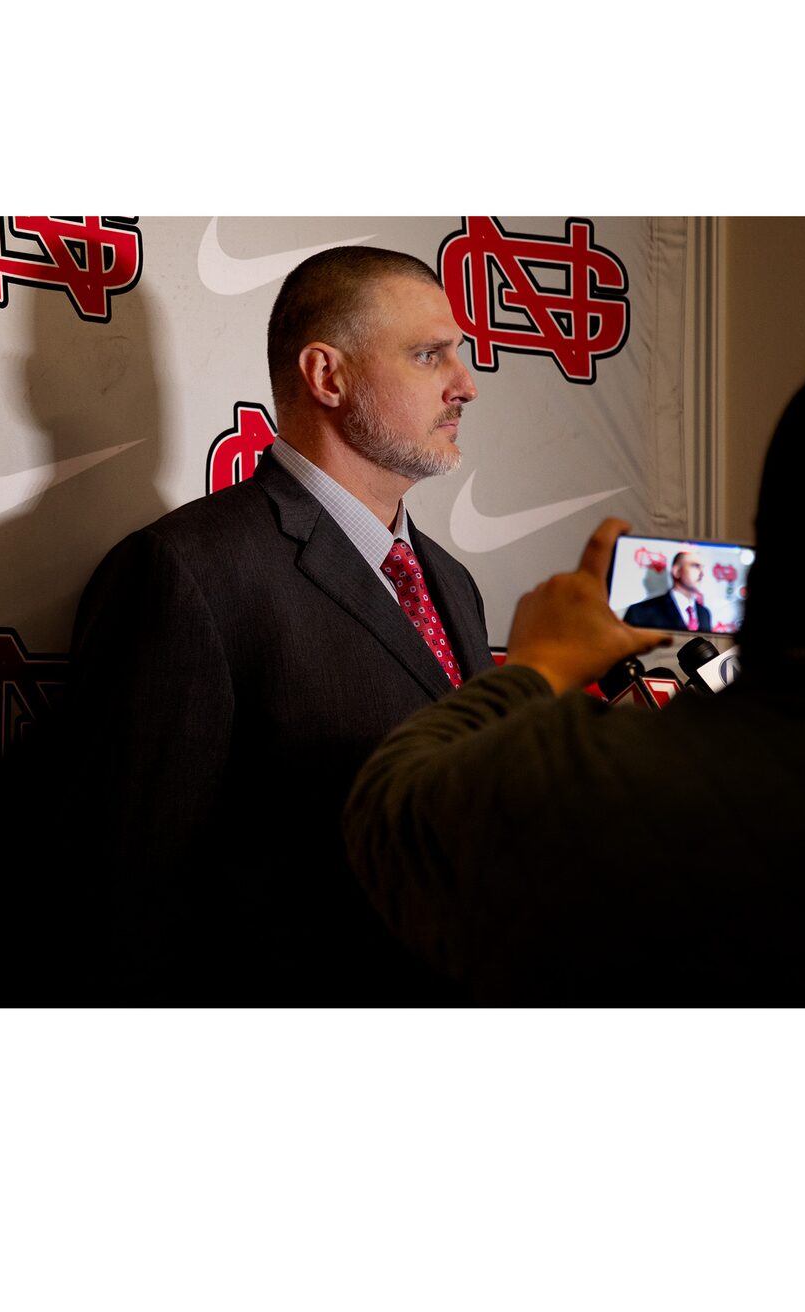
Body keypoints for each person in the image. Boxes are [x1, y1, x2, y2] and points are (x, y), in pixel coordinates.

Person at [344, 333, 805, 1006]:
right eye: (428, 355)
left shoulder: (589, 783)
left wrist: (541, 664)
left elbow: (398, 822)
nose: (467, 385)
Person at [64, 246, 496, 1003]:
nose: (466, 385)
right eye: (429, 356)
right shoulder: (187, 571)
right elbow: (129, 903)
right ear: (327, 376)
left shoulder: (452, 584)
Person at [625, 549, 712, 631]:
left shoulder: (704, 614)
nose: (702, 573)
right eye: (695, 566)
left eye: (702, 567)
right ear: (677, 571)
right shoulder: (640, 613)